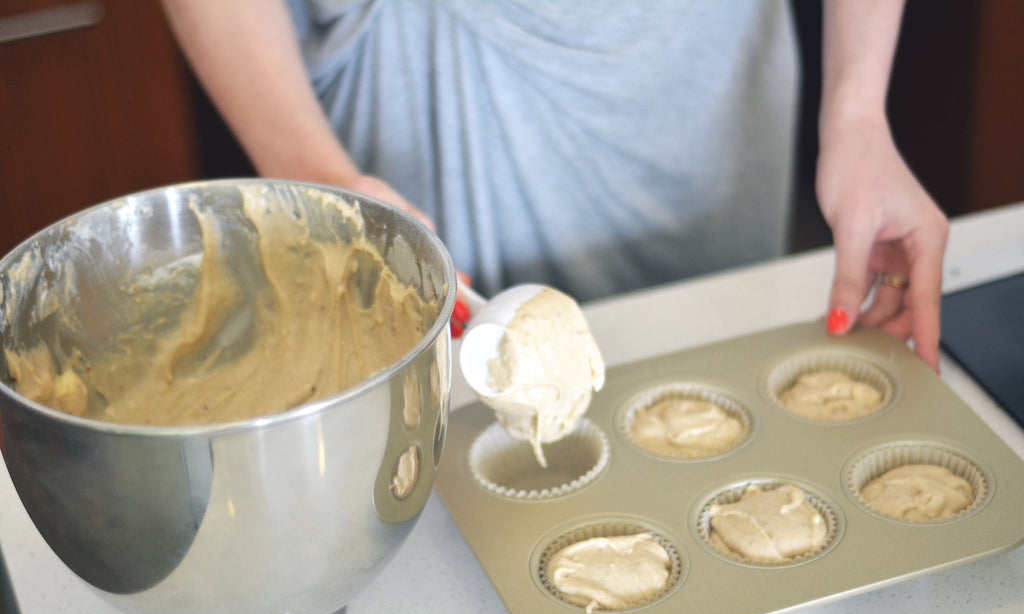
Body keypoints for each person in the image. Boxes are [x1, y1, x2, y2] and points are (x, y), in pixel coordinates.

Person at [159, 0, 948, 371]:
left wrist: (857, 117)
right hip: (418, 87)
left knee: (705, 388)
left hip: (699, 92)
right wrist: (318, 178)